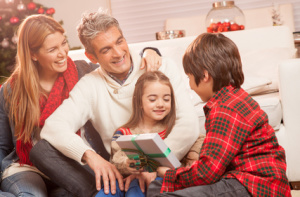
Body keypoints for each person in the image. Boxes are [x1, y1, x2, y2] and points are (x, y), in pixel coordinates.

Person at [29, 9, 200, 197]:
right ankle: (106, 191)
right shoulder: (90, 84)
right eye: (106, 49)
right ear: (92, 57)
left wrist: (150, 166)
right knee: (41, 150)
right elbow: (53, 127)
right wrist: (90, 156)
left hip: (162, 169)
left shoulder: (162, 66)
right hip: (121, 170)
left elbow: (188, 126)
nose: (118, 53)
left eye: (119, 41)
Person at [0, 14, 161, 197]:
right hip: (28, 166)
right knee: (32, 187)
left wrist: (148, 51)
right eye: (53, 49)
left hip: (73, 164)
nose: (63, 53)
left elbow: (116, 59)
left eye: (63, 43)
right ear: (33, 55)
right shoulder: (11, 90)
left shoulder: (84, 72)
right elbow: (2, 144)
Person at [147, 33, 292, 197]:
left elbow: (207, 172)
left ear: (205, 76)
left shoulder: (226, 108)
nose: (190, 86)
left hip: (253, 185)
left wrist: (170, 175)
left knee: (163, 192)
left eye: (189, 77)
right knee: (156, 188)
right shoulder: (232, 98)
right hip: (241, 181)